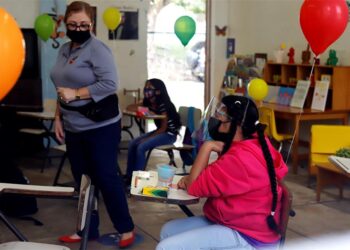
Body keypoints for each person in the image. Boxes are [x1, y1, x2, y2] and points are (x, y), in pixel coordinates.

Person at [50, 1, 135, 248]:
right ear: (66, 24)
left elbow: (110, 84)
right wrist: (58, 117)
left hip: (101, 126)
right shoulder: (64, 49)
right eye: (73, 24)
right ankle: (87, 229)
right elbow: (60, 89)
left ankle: (125, 227)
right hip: (73, 126)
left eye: (83, 24)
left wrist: (76, 94)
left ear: (92, 24)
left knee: (106, 177)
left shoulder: (98, 49)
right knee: (83, 181)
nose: (78, 28)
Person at [156, 95, 288, 250]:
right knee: (167, 231)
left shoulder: (239, 159)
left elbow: (193, 187)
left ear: (235, 124)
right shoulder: (252, 141)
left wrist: (207, 146)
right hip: (236, 221)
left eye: (219, 116)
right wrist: (194, 178)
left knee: (166, 247)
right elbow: (203, 180)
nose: (213, 119)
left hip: (249, 236)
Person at [125, 78, 181, 183]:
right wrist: (144, 109)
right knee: (133, 143)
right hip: (160, 131)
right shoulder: (149, 102)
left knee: (141, 146)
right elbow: (129, 108)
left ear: (158, 91)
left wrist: (147, 138)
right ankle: (129, 176)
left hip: (169, 134)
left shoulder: (164, 104)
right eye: (145, 87)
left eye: (150, 88)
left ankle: (138, 180)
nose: (146, 90)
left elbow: (164, 128)